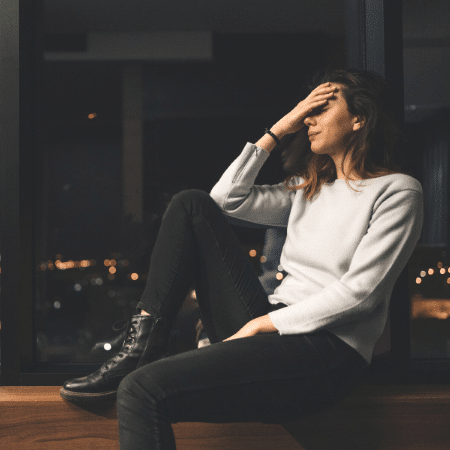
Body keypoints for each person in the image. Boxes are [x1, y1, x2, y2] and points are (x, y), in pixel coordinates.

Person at [60, 68, 424, 449]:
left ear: (358, 119)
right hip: (272, 326)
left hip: (326, 351)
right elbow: (223, 201)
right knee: (190, 203)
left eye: (320, 108)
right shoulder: (310, 188)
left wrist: (262, 325)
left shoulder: (397, 191)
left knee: (140, 391)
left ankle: (142, 363)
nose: (308, 119)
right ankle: (142, 345)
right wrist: (279, 129)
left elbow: (362, 292)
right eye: (305, 111)